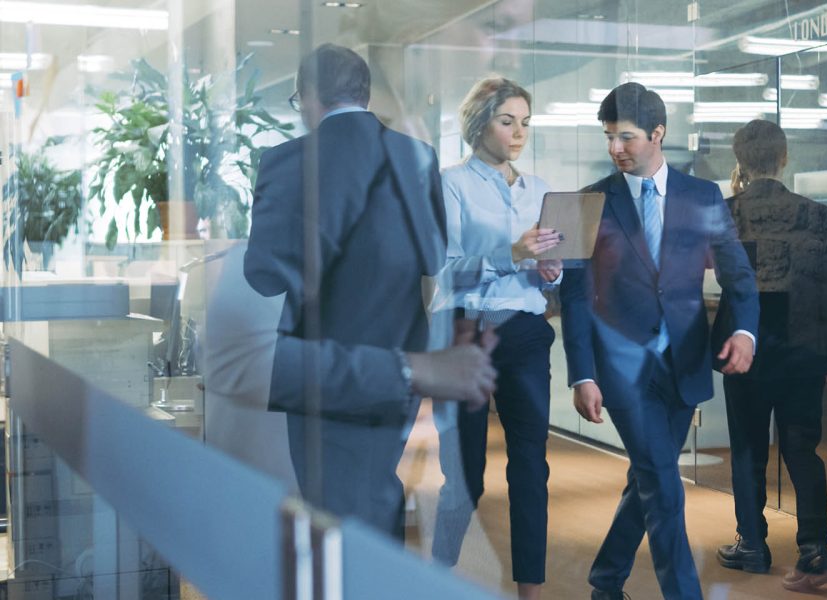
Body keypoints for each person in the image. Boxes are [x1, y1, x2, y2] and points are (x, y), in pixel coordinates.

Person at [243, 43, 497, 538]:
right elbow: (431, 258)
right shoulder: (417, 156)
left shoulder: (284, 160)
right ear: (363, 93)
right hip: (401, 358)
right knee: (375, 486)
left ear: (310, 96)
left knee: (329, 505)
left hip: (322, 364)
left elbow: (264, 275)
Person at [560, 82, 760, 600]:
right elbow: (576, 298)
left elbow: (739, 277)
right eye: (608, 138)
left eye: (625, 137)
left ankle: (606, 581)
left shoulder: (703, 196)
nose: (615, 149)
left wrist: (743, 330)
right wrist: (582, 373)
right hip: (621, 369)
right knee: (664, 486)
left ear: (657, 134)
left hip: (685, 363)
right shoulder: (586, 203)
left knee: (650, 477)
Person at [430, 76, 561, 600]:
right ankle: (435, 578)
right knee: (466, 477)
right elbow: (444, 275)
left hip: (526, 331)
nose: (518, 132)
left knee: (531, 467)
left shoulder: (540, 189)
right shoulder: (450, 184)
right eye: (507, 121)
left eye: (525, 122)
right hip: (466, 332)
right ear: (480, 123)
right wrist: (513, 253)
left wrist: (552, 268)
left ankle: (530, 590)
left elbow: (551, 270)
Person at [711, 119, 827, 592]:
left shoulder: (726, 211)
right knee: (802, 448)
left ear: (740, 160)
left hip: (745, 347)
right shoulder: (815, 213)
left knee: (747, 447)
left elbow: (729, 282)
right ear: (784, 157)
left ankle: (751, 543)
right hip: (804, 347)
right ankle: (814, 548)